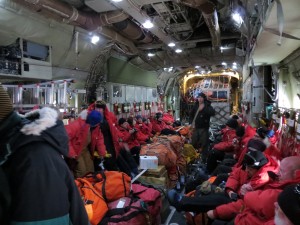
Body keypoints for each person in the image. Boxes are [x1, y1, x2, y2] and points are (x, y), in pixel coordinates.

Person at [0, 85, 89, 225]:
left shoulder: (33, 158)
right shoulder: (17, 148)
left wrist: (73, 156)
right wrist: (72, 156)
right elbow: (71, 140)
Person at [167, 149, 277, 213]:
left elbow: (248, 202)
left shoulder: (263, 178)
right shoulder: (250, 166)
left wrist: (217, 214)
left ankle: (182, 202)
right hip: (235, 194)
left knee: (219, 200)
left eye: (250, 169)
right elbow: (235, 175)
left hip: (244, 206)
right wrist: (230, 190)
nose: (247, 170)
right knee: (213, 190)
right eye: (247, 167)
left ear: (258, 168)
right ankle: (191, 201)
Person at [208, 156, 300, 225]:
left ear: (296, 174)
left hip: (241, 214)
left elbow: (254, 200)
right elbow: (238, 172)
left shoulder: (284, 191)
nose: (278, 174)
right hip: (241, 212)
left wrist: (217, 212)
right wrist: (230, 190)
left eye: (282, 171)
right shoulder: (277, 182)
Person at [189, 92, 215, 162]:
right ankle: (194, 157)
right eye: (198, 97)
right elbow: (191, 115)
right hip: (196, 127)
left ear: (204, 98)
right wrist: (191, 123)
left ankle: (204, 159)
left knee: (204, 143)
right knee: (194, 142)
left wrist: (205, 108)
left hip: (204, 128)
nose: (199, 99)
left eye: (201, 97)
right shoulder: (195, 106)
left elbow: (212, 113)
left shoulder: (207, 105)